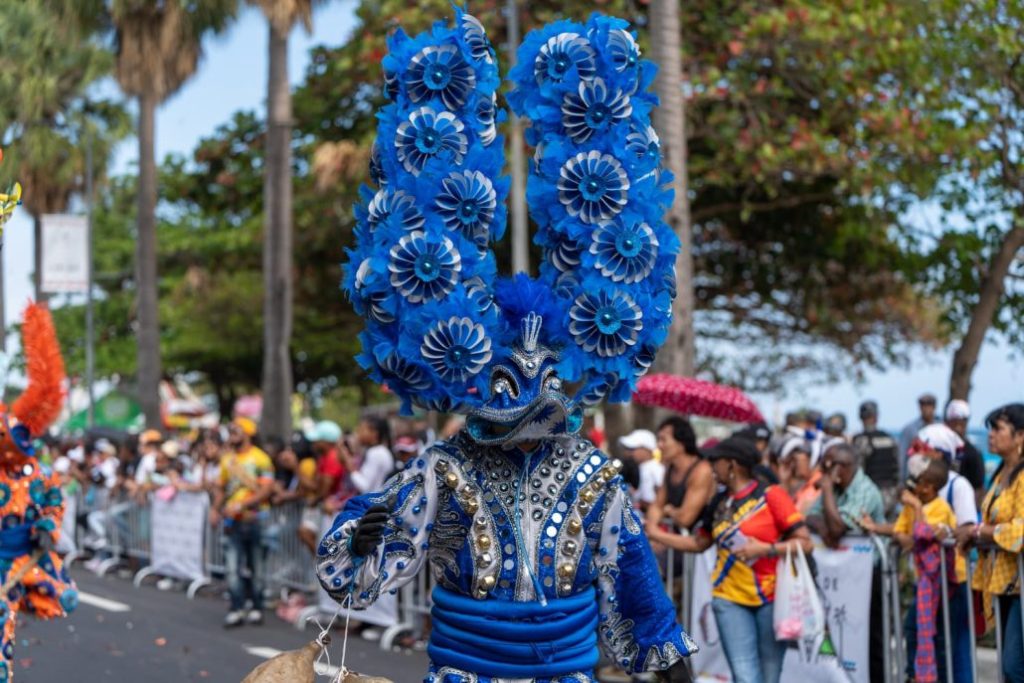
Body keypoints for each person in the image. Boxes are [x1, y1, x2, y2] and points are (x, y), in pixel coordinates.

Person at [316, 10, 696, 680]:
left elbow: (634, 580)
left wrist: (668, 658)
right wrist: (374, 529)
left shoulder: (592, 476)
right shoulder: (448, 473)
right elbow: (358, 564)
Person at [648, 436, 812, 683]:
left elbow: (806, 543)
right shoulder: (718, 502)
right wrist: (655, 534)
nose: (711, 467)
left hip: (771, 598)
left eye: (716, 461)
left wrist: (766, 549)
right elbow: (699, 543)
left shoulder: (772, 496)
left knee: (769, 675)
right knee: (744, 676)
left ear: (732, 465)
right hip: (728, 599)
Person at [0, 303, 78, 681]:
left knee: (3, 632)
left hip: (19, 561)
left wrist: (48, 526)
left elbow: (54, 502)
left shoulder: (40, 475)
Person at [868, 457, 970, 683]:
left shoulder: (939, 508)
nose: (911, 483)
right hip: (927, 582)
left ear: (928, 487)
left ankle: (928, 677)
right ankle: (916, 675)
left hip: (948, 581)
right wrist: (877, 527)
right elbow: (901, 531)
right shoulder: (915, 506)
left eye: (918, 480)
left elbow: (919, 535)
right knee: (914, 630)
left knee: (940, 638)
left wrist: (914, 510)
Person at [805, 442, 887, 682]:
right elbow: (810, 516)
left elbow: (839, 528)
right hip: (842, 576)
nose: (823, 471)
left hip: (868, 573)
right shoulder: (837, 486)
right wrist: (823, 525)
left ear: (842, 467)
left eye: (827, 465)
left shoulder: (865, 489)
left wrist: (828, 491)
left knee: (870, 638)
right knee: (835, 634)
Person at [954, 403, 1024, 683]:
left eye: (998, 429)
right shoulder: (1000, 475)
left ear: (1020, 436)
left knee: (1013, 665)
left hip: (1020, 583)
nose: (991, 435)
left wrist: (982, 532)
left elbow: (1021, 529)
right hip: (1006, 581)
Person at [210, 417, 275, 628]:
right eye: (231, 431)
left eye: (236, 430)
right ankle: (236, 609)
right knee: (231, 568)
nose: (232, 434)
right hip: (232, 522)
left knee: (256, 567)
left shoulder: (261, 458)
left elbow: (266, 489)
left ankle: (256, 608)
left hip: (256, 520)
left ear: (248, 433)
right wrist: (215, 509)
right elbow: (221, 487)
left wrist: (244, 505)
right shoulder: (227, 460)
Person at [647, 417, 713, 532]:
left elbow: (685, 519)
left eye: (663, 440)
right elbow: (656, 506)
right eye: (658, 440)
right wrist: (653, 526)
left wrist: (667, 510)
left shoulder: (702, 470)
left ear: (681, 443)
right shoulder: (670, 469)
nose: (659, 446)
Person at [852, 399, 901, 517]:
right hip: (892, 494)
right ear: (876, 417)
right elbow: (898, 467)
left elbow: (857, 473)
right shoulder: (890, 439)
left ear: (861, 418)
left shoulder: (861, 440)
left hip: (871, 495)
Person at [944, 399, 986, 501]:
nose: (958, 428)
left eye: (961, 423)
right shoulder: (940, 450)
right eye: (954, 423)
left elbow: (978, 488)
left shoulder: (973, 454)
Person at [344, 415, 394, 495]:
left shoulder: (376, 453)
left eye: (361, 429)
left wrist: (351, 470)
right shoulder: (380, 451)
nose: (357, 432)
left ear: (374, 433)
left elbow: (364, 487)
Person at [619, 429, 664, 511]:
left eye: (633, 449)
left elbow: (661, 497)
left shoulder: (656, 468)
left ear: (646, 449)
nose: (630, 453)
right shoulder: (640, 467)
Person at [899, 393, 939, 479]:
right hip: (916, 477)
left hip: (937, 477)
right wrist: (901, 480)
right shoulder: (910, 430)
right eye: (922, 405)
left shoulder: (941, 428)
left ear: (934, 407)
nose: (925, 408)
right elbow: (902, 456)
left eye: (929, 405)